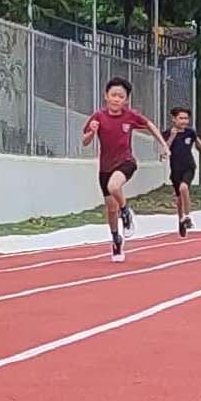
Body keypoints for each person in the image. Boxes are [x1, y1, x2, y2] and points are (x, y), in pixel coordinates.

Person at [81, 77, 169, 262]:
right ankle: (116, 239)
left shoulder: (130, 116)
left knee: (115, 187)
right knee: (110, 209)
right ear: (106, 96)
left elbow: (149, 125)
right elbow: (85, 141)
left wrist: (164, 145)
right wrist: (92, 132)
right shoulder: (98, 117)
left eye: (121, 96)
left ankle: (126, 210)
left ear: (126, 99)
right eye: (113, 95)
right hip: (105, 167)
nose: (116, 99)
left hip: (126, 162)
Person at [164, 105, 201, 237]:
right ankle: (181, 220)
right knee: (179, 198)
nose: (184, 121)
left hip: (189, 167)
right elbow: (165, 149)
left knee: (184, 188)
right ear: (174, 119)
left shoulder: (190, 132)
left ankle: (187, 215)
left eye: (186, 118)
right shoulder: (168, 133)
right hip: (175, 169)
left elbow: (197, 140)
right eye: (181, 118)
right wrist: (172, 137)